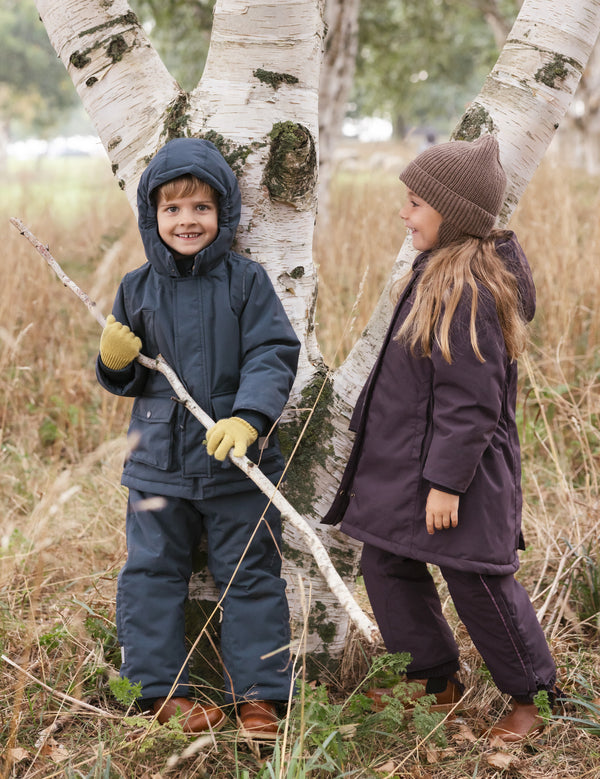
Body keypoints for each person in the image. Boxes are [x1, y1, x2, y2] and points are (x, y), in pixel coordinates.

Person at [322, 135, 559, 743]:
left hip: (459, 477)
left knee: (477, 578)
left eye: (417, 203)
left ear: (451, 214)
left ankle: (535, 696)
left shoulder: (468, 289)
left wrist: (445, 484)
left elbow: (471, 402)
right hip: (407, 471)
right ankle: (433, 680)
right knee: (386, 562)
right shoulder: (434, 272)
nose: (405, 214)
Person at [96, 137, 300, 737]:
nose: (187, 221)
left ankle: (261, 697)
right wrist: (114, 361)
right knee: (152, 572)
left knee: (250, 573)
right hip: (157, 463)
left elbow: (273, 351)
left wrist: (250, 418)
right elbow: (128, 378)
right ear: (151, 216)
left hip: (237, 461)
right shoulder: (137, 289)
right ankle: (156, 691)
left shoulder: (246, 282)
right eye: (173, 209)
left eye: (202, 209)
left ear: (224, 214)